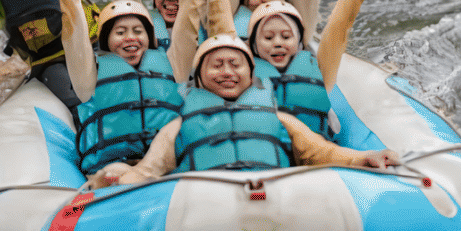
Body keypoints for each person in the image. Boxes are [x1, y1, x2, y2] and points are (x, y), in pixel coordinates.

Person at [40, 0, 222, 176]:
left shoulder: (175, 65)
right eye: (120, 32)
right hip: (111, 172)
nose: (130, 38)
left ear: (150, 39)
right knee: (115, 172)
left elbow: (191, 5)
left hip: (167, 168)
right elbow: (72, 14)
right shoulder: (88, 77)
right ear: (106, 40)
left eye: (138, 31)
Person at [91, 33, 399, 186]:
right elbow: (148, 171)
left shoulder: (280, 119)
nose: (227, 72)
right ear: (200, 77)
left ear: (251, 75)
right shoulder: (178, 127)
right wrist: (115, 178)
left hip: (278, 201)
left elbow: (323, 152)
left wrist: (362, 158)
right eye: (217, 65)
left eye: (235, 65)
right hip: (203, 212)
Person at [246, 0, 377, 138]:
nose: (278, 43)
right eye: (268, 38)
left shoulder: (317, 69)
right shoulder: (241, 70)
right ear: (254, 44)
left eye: (286, 37)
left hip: (317, 150)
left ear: (298, 40)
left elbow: (338, 29)